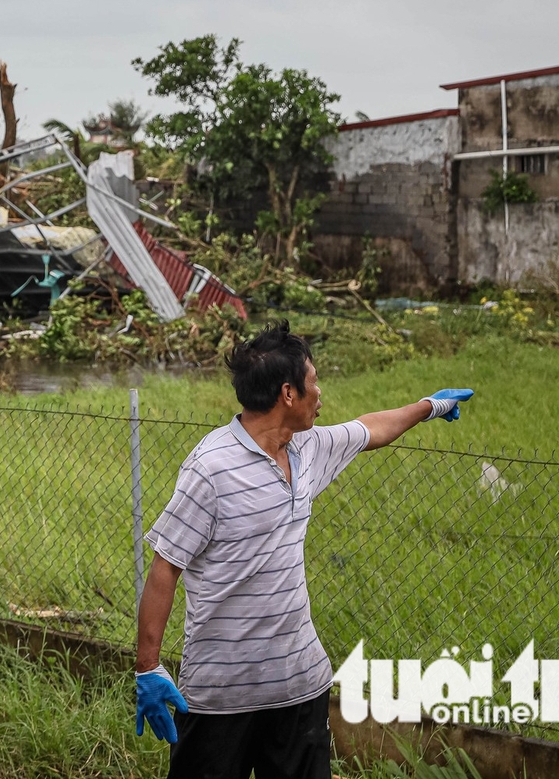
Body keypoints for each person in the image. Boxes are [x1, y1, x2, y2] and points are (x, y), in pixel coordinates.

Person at [134, 323, 474, 779]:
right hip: (221, 696)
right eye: (314, 382)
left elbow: (371, 429)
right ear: (288, 393)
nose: (320, 392)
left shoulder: (307, 449)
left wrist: (430, 407)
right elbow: (165, 567)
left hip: (300, 688)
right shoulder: (211, 469)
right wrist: (148, 667)